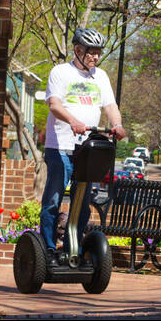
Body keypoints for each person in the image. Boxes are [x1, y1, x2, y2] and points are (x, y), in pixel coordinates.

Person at [40, 28, 128, 259]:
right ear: (78, 50)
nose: (95, 57)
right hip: (60, 146)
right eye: (91, 53)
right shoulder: (60, 72)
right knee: (53, 198)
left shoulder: (100, 76)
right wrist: (73, 121)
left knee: (82, 202)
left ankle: (72, 248)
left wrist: (117, 124)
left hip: (88, 148)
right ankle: (48, 247)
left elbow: (110, 106)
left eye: (98, 53)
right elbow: (54, 104)